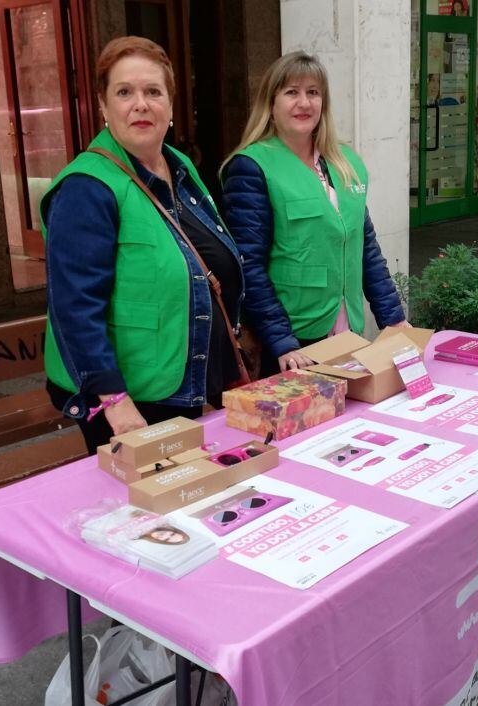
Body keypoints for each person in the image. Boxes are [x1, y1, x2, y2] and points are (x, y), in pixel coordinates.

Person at [42, 36, 243, 454]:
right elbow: (74, 308)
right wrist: (114, 402)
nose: (141, 104)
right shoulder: (87, 188)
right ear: (103, 106)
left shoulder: (178, 164)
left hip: (185, 381)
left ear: (171, 104)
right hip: (130, 404)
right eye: (124, 92)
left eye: (154, 91)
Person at [221, 51, 407, 376]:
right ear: (272, 103)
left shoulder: (344, 162)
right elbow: (248, 265)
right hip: (293, 341)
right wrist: (282, 340)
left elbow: (367, 250)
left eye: (313, 92)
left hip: (348, 331)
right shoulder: (252, 167)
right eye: (291, 92)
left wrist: (393, 319)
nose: (303, 103)